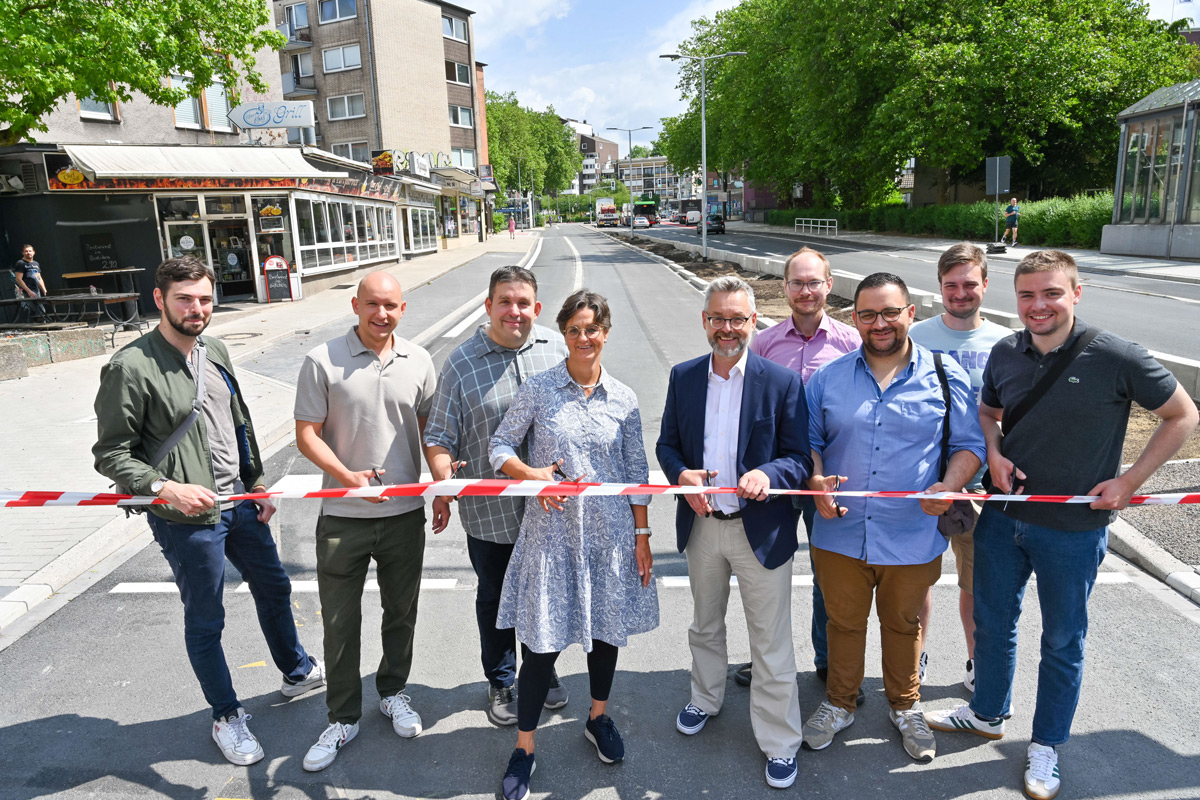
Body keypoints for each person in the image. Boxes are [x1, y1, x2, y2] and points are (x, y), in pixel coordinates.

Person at [926, 250, 1198, 799]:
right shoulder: (1005, 350)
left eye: (1051, 293)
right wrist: (995, 454)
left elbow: (1183, 415)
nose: (1038, 305)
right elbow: (987, 412)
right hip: (1003, 518)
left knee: (1062, 640)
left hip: (1072, 530)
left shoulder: (1116, 355)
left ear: (1076, 293)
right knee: (993, 622)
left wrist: (1129, 483)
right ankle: (986, 713)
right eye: (1027, 295)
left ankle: (1047, 745)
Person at [93, 256, 324, 766]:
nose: (196, 308)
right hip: (186, 518)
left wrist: (257, 482)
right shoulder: (129, 367)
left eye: (203, 298)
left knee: (274, 587)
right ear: (160, 300)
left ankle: (294, 669)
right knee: (206, 618)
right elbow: (111, 454)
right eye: (184, 299)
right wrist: (163, 487)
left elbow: (238, 421)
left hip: (238, 502)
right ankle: (226, 714)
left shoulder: (214, 349)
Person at [801, 272, 986, 763]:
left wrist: (949, 486)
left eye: (889, 312)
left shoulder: (945, 375)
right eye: (867, 314)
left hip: (913, 532)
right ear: (855, 318)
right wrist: (815, 478)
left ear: (910, 313)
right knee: (843, 623)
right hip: (839, 531)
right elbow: (809, 445)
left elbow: (970, 446)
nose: (879, 323)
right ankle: (839, 704)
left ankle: (905, 707)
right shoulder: (827, 378)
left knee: (903, 624)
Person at [489, 290, 658, 800]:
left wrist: (643, 536)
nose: (584, 338)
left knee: (605, 638)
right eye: (574, 330)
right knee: (540, 648)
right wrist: (531, 473)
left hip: (609, 543)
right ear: (562, 334)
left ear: (605, 333)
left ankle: (597, 718)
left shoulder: (624, 398)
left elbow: (634, 473)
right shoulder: (540, 389)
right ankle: (524, 747)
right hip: (550, 542)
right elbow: (499, 446)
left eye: (592, 329)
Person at [657, 276, 812, 790]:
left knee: (770, 644)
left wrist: (769, 474)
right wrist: (681, 475)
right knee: (705, 625)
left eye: (738, 319)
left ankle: (780, 741)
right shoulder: (683, 377)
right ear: (705, 322)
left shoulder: (781, 382)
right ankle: (706, 698)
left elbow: (797, 457)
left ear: (753, 322)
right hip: (703, 526)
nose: (728, 329)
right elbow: (668, 446)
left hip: (760, 532)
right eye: (719, 319)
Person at [294, 271, 438, 772]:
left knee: (401, 612)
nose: (381, 314)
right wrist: (345, 476)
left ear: (403, 308)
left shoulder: (419, 360)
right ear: (355, 305)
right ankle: (342, 716)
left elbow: (429, 432)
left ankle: (394, 691)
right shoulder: (321, 360)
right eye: (372, 304)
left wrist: (439, 490)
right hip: (342, 518)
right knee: (339, 623)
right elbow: (306, 435)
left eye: (391, 306)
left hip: (404, 516)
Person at [423, 266, 569, 727]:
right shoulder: (461, 363)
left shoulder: (557, 350)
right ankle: (501, 677)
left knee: (545, 593)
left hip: (552, 510)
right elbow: (440, 435)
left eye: (523, 302)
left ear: (537, 309)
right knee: (497, 598)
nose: (514, 311)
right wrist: (444, 488)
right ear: (488, 306)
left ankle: (541, 670)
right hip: (491, 513)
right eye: (504, 301)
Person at [736, 246, 861, 692]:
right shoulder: (764, 345)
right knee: (766, 576)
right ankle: (768, 660)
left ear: (829, 285)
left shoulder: (852, 344)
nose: (805, 291)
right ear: (784, 288)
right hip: (777, 477)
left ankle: (829, 663)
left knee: (830, 577)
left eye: (814, 283)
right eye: (796, 283)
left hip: (829, 479)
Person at [909, 243, 1011, 692]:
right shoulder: (915, 336)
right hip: (921, 485)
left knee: (976, 587)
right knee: (917, 582)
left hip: (979, 489)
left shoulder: (1006, 344)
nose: (960, 292)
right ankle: (916, 657)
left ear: (985, 285)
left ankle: (976, 665)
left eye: (970, 283)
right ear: (939, 288)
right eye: (951, 284)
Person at [14, 244, 47, 319]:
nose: (28, 253)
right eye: (26, 251)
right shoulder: (21, 263)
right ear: (23, 253)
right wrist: (28, 291)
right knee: (41, 310)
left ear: (34, 252)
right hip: (26, 291)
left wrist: (44, 290)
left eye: (30, 251)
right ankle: (42, 327)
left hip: (36, 290)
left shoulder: (36, 263)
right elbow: (18, 279)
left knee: (36, 311)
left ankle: (36, 326)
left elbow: (39, 278)